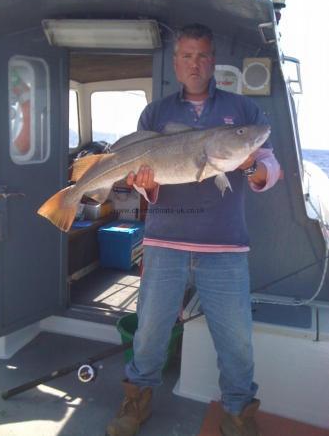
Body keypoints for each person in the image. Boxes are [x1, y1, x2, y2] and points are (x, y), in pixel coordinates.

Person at [106, 23, 280, 436]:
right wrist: (147, 187)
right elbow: (150, 191)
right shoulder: (156, 113)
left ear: (213, 61)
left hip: (225, 248)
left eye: (202, 55)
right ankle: (137, 400)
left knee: (236, 340)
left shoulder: (243, 112)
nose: (195, 63)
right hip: (164, 243)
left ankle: (238, 412)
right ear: (176, 63)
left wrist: (250, 164)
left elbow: (271, 170)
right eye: (187, 56)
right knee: (149, 331)